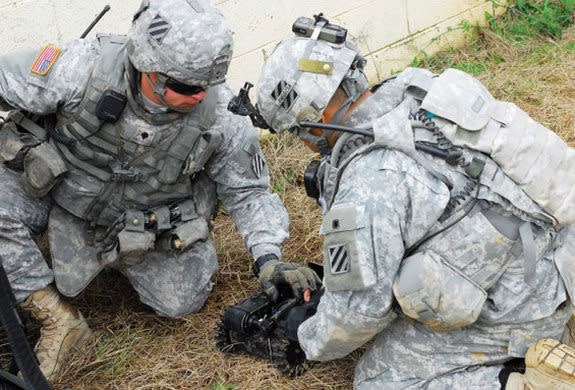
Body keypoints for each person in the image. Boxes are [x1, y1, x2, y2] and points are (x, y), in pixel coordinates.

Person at [246, 14, 575, 389]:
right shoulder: (420, 88)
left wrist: (306, 335)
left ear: (315, 118)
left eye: (298, 131)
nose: (304, 141)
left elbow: (357, 314)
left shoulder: (370, 183)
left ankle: (523, 381)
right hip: (560, 259)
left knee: (379, 381)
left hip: (520, 307)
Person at [0, 0, 319, 381]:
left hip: (144, 222)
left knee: (182, 302)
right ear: (146, 65)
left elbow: (250, 192)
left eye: (206, 85)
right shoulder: (79, 69)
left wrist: (268, 257)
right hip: (59, 192)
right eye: (185, 86)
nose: (199, 96)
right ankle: (57, 320)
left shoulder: (221, 116)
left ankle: (117, 260)